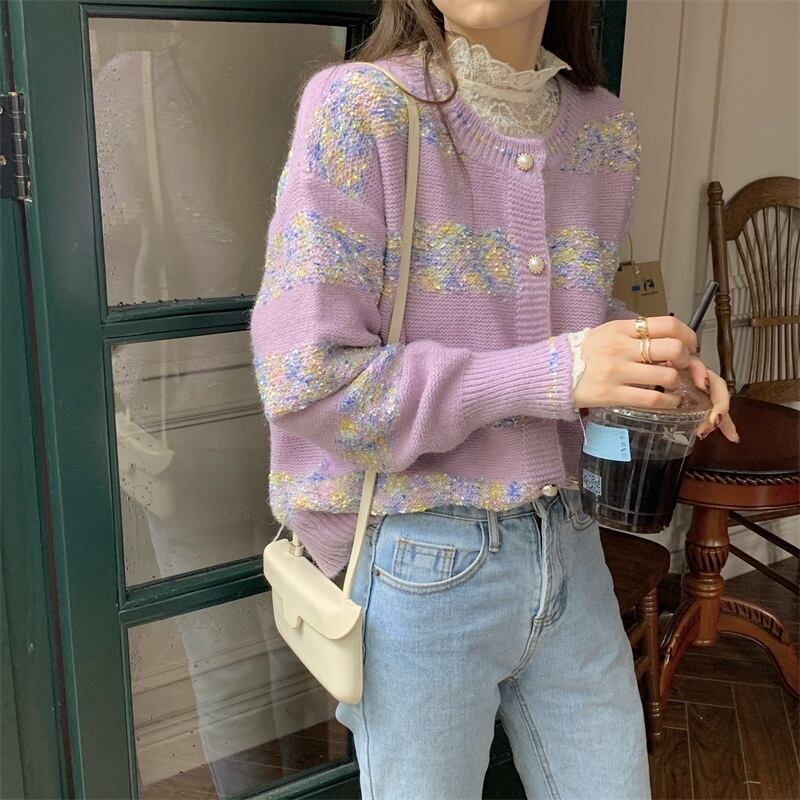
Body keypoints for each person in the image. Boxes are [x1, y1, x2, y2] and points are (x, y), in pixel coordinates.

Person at [249, 2, 738, 798]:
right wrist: (563, 371)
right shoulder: (362, 110)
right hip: (421, 556)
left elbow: (556, 317)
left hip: (572, 542)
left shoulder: (604, 131)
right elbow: (309, 383)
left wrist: (643, 360)